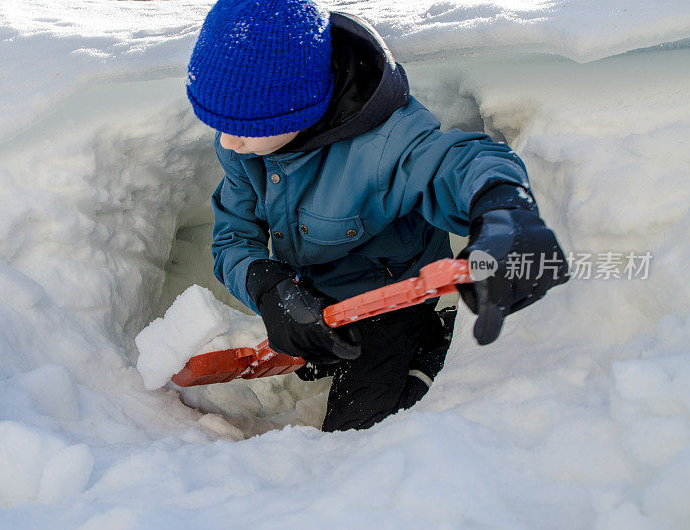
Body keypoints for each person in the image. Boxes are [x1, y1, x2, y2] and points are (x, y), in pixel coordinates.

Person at [185, 0, 568, 431]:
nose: (230, 143)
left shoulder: (384, 144)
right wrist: (268, 287)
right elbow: (234, 237)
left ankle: (430, 342)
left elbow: (459, 163)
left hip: (392, 298)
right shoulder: (246, 147)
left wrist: (504, 209)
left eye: (247, 128)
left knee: (355, 430)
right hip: (318, 296)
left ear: (299, 107)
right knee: (316, 356)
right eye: (220, 125)